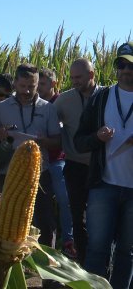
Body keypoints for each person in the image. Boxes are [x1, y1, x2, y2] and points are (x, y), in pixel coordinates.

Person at [74, 42, 133, 288]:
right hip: (103, 185)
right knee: (97, 248)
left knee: (127, 252)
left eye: (130, 65)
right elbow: (79, 141)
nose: (126, 70)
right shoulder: (101, 98)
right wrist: (96, 138)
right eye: (121, 64)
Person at [0, 63, 61, 247]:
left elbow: (58, 142)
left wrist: (45, 141)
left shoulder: (48, 109)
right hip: (9, 172)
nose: (27, 91)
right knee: (9, 221)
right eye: (23, 86)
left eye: (32, 87)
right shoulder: (2, 108)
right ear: (16, 83)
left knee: (44, 221)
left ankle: (46, 269)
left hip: (39, 173)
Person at [54, 58, 102, 264]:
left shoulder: (107, 96)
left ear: (91, 75)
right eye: (72, 77)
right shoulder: (64, 100)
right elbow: (50, 123)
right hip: (75, 167)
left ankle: (100, 265)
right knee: (78, 218)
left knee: (100, 219)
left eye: (79, 77)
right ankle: (82, 263)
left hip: (102, 167)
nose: (75, 81)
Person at [37, 68, 76, 258]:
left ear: (53, 84)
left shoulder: (60, 102)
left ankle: (68, 240)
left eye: (41, 84)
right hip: (39, 161)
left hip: (57, 159)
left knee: (64, 200)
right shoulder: (35, 104)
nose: (37, 88)